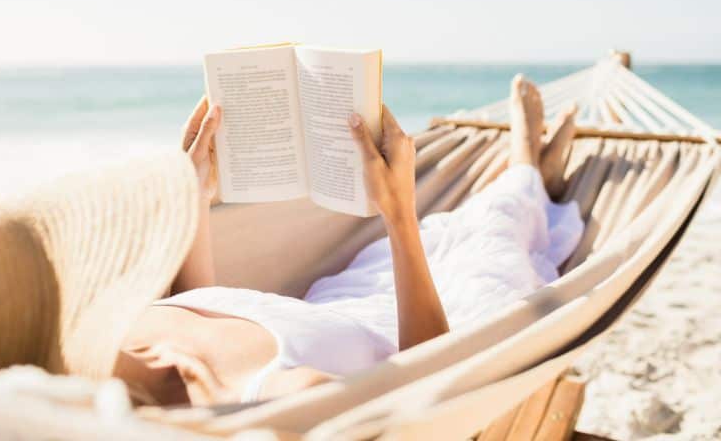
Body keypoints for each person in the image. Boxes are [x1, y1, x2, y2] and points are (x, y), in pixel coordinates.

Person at [112, 76, 583, 407]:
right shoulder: (278, 397)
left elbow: (202, 301)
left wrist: (194, 196)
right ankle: (527, 163)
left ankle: (532, 176)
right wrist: (399, 216)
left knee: (465, 222)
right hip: (441, 315)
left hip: (349, 292)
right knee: (491, 234)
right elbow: (429, 388)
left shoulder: (116, 336)